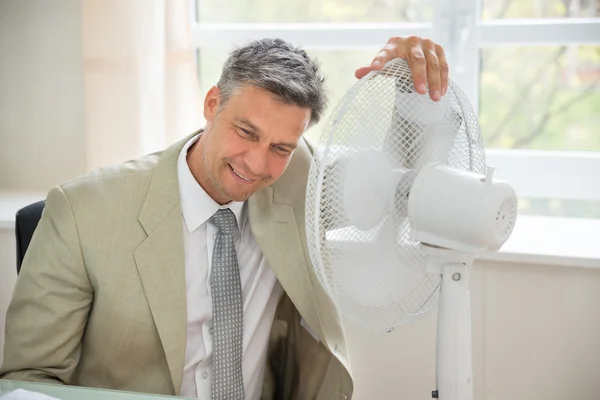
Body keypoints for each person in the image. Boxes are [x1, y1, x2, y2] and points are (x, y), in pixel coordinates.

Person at [0, 36, 448, 400]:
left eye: (280, 148)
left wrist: (412, 93)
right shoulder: (83, 212)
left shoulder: (298, 182)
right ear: (213, 103)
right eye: (245, 132)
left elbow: (396, 189)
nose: (256, 164)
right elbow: (28, 380)